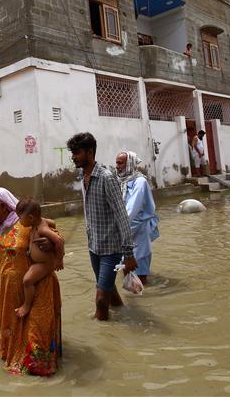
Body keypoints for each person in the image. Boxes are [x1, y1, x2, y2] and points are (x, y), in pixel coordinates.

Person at [0, 187, 62, 376]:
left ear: (3, 206)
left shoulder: (27, 222)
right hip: (9, 295)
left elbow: (57, 234)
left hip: (36, 289)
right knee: (13, 343)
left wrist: (52, 244)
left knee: (37, 352)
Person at [67, 132, 136, 321]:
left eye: (77, 152)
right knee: (107, 288)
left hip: (111, 249)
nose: (73, 157)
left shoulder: (106, 177)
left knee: (100, 299)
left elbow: (122, 216)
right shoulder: (83, 177)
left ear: (89, 153)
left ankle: (103, 331)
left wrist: (129, 255)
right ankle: (124, 313)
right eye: (72, 152)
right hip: (94, 247)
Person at [14, 198, 65, 318]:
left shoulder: (42, 228)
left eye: (20, 218)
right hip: (40, 262)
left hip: (44, 264)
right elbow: (52, 222)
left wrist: (59, 259)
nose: (19, 221)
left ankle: (26, 305)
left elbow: (59, 241)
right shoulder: (39, 224)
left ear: (31, 218)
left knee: (27, 280)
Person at [116, 152, 160, 285]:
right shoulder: (120, 181)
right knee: (125, 264)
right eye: (117, 162)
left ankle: (143, 297)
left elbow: (132, 209)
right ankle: (133, 297)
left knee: (139, 266)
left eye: (120, 163)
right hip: (125, 230)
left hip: (138, 229)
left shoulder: (140, 182)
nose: (117, 166)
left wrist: (118, 227)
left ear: (129, 164)